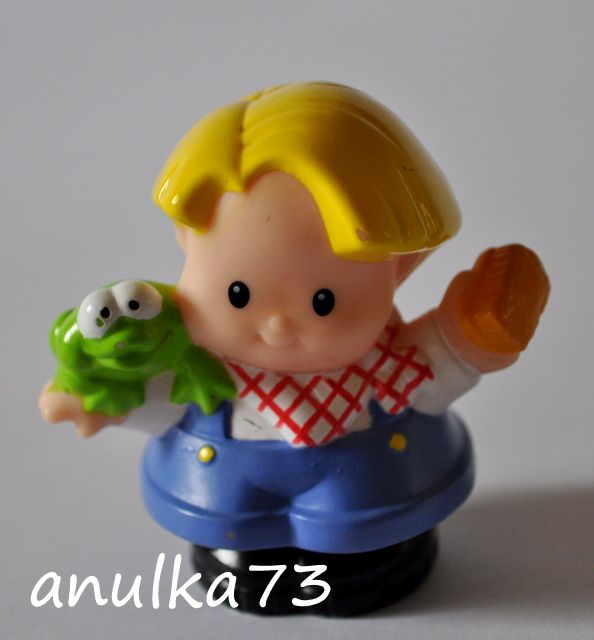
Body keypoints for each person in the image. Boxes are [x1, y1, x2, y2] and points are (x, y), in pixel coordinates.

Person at [39, 82, 549, 615]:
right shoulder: (195, 361)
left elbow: (437, 365)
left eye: (324, 301)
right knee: (237, 530)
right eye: (238, 294)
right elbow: (158, 394)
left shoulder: (387, 362)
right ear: (188, 241)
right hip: (229, 481)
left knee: (360, 526)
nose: (278, 327)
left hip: (367, 482)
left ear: (398, 266)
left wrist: (474, 335)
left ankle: (371, 565)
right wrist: (101, 398)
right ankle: (243, 565)